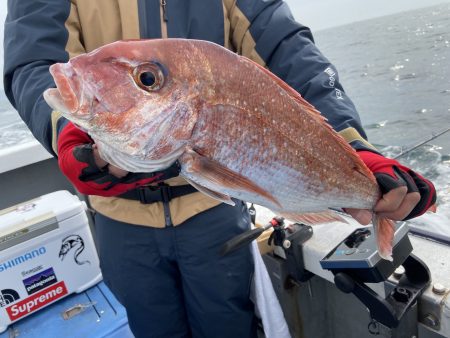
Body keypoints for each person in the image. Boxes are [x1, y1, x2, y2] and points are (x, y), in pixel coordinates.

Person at [3, 1, 436, 337]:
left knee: (228, 326)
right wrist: (65, 133)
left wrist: (353, 148)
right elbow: (32, 58)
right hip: (120, 222)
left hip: (212, 209)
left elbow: (288, 51)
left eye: (148, 81)